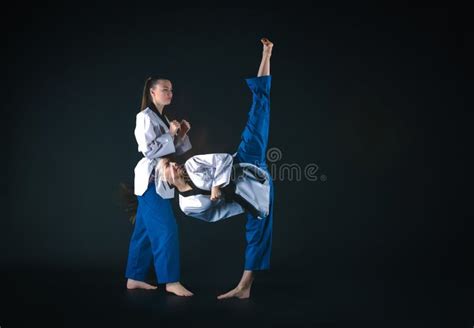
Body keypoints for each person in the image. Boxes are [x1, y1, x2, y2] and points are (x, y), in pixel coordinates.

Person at [157, 37, 274, 299]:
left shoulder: (192, 164)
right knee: (259, 232)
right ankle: (244, 288)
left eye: (170, 162)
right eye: (168, 168)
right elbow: (213, 212)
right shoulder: (187, 206)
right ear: (167, 182)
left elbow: (222, 160)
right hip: (250, 195)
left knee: (260, 107)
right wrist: (218, 196)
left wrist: (216, 185)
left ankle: (266, 54)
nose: (174, 165)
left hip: (247, 159)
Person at [124, 75, 194, 297]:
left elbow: (175, 151)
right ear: (152, 92)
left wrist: (180, 134)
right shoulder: (144, 117)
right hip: (151, 181)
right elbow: (148, 151)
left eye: (171, 90)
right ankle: (171, 281)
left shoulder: (164, 119)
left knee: (143, 232)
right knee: (166, 230)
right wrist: (171, 133)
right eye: (165, 89)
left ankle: (134, 278)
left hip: (161, 180)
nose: (169, 93)